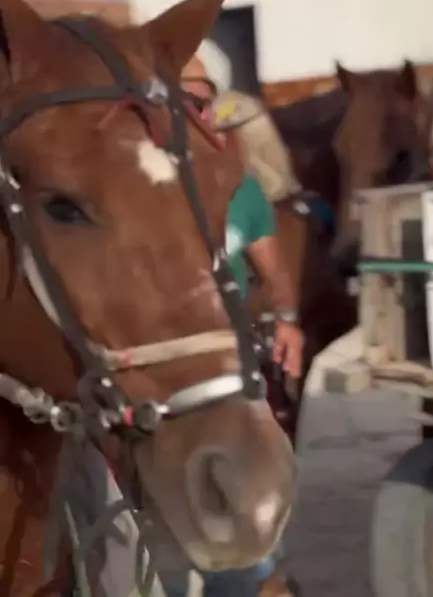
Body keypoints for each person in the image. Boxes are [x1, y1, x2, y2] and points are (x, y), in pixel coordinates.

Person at [180, 54, 304, 597]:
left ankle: (259, 579)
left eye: (201, 103)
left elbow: (274, 271)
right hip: (165, 369)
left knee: (245, 502)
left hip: (230, 367)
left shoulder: (241, 190)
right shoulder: (139, 189)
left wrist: (288, 321)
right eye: (179, 102)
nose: (192, 114)